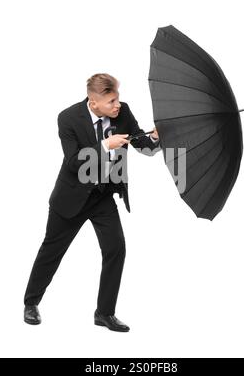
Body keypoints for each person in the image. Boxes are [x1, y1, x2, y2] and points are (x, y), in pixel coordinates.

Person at [23, 73, 160, 332]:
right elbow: (74, 161)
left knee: (115, 249)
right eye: (111, 101)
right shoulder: (68, 118)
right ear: (93, 102)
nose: (117, 105)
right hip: (72, 196)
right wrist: (106, 145)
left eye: (117, 98)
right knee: (51, 251)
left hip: (102, 196)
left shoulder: (123, 112)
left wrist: (153, 138)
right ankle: (30, 302)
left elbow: (140, 143)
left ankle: (104, 313)